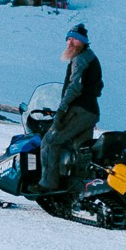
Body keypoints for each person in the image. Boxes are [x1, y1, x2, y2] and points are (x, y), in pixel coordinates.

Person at [39, 22, 103, 194]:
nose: (70, 43)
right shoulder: (91, 57)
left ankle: (48, 186)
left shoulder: (80, 59)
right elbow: (99, 86)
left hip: (79, 110)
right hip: (90, 112)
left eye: (75, 39)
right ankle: (77, 188)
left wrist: (61, 110)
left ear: (83, 42)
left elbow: (74, 87)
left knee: (50, 142)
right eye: (69, 39)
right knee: (80, 150)